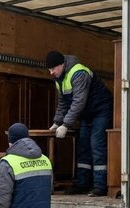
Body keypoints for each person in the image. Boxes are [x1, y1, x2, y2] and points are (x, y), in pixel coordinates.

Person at [45, 50, 113, 197]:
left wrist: (66, 125)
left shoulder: (79, 73)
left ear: (62, 65)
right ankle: (82, 184)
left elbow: (78, 102)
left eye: (53, 69)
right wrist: (57, 123)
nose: (51, 72)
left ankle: (100, 187)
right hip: (86, 114)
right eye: (49, 70)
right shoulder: (60, 79)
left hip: (100, 110)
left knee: (96, 145)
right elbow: (63, 102)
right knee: (83, 147)